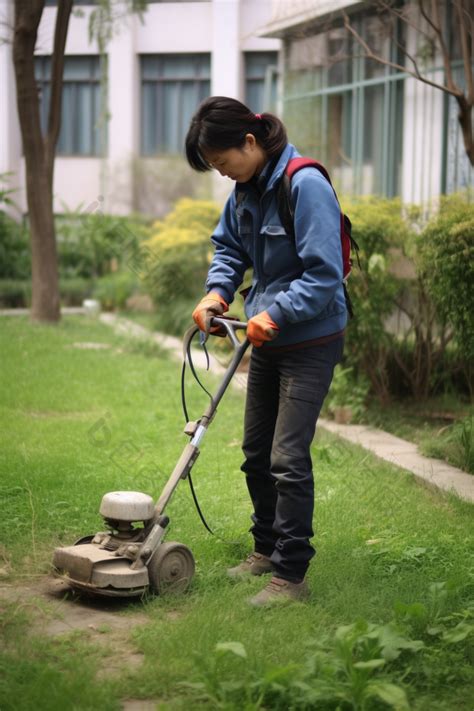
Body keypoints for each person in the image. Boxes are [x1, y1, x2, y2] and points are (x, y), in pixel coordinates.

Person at [185, 96, 346, 607]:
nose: (222, 173)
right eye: (214, 168)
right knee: (256, 453)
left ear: (249, 142)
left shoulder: (305, 184)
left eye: (223, 162)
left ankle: (291, 576)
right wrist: (217, 293)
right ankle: (266, 548)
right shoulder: (244, 192)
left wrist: (277, 312)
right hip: (266, 336)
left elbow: (324, 273)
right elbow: (230, 249)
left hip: (310, 339)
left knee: (287, 457)